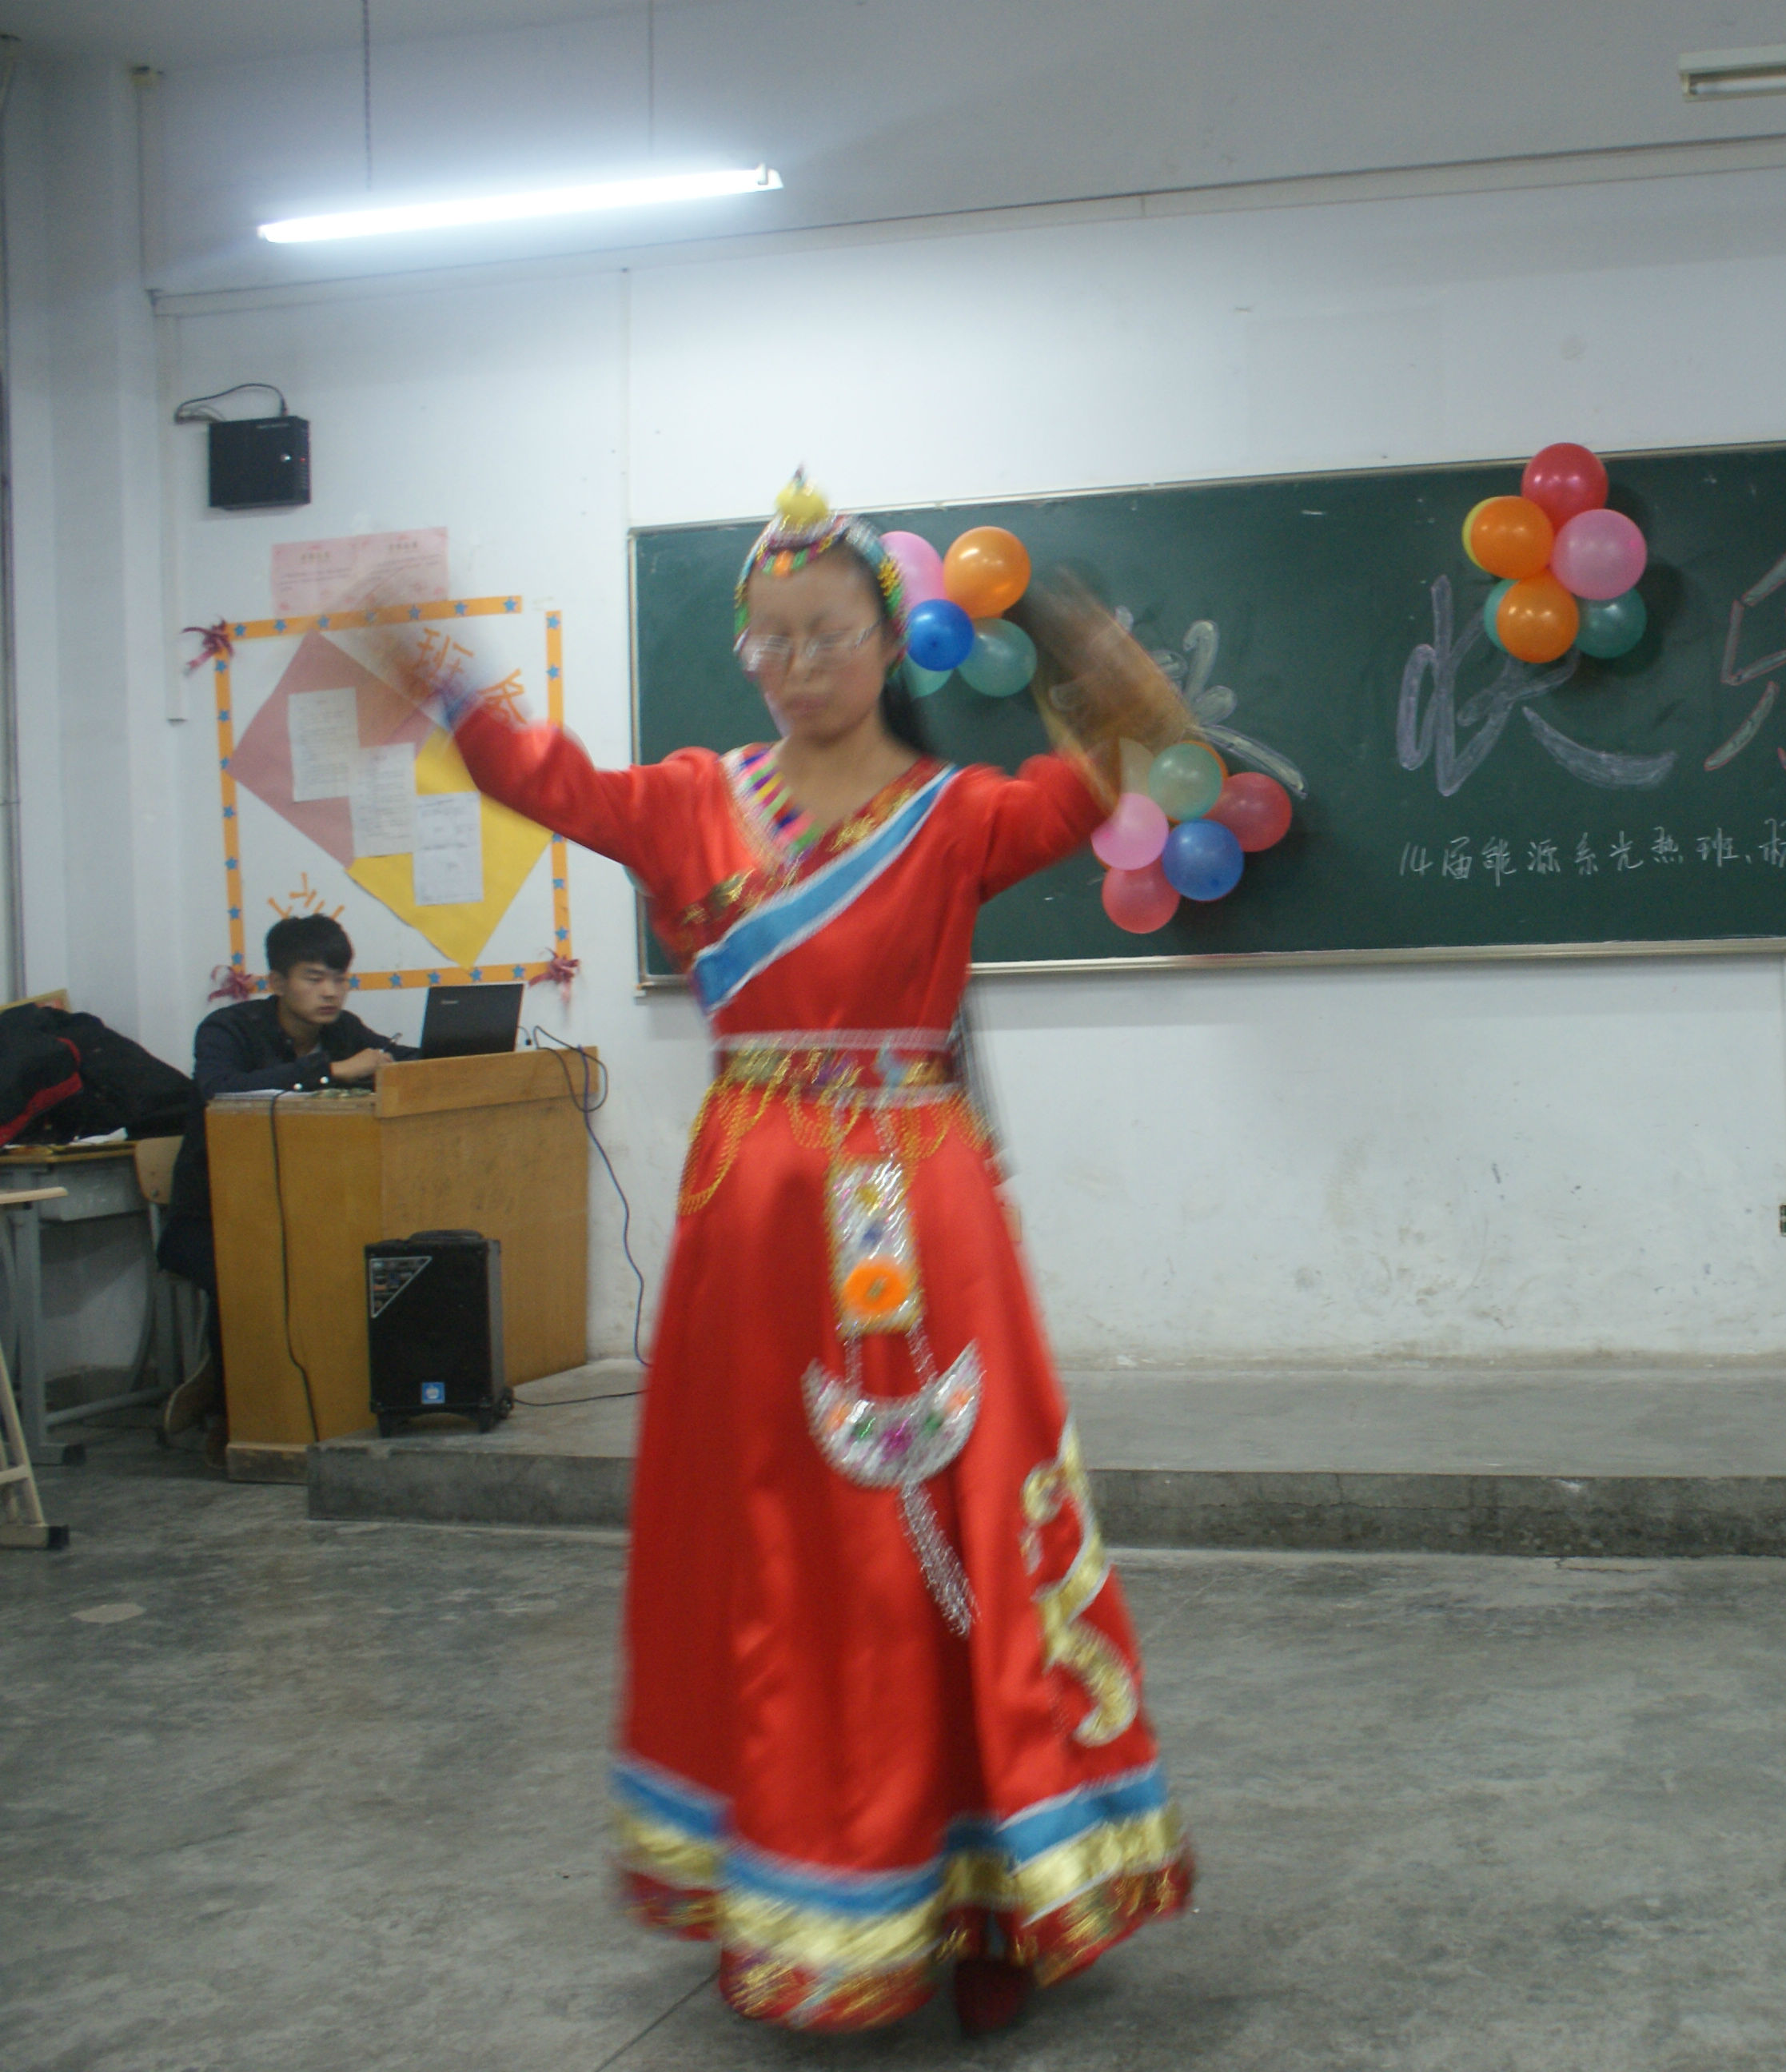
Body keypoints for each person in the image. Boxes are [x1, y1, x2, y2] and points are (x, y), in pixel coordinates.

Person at [411, 480, 1191, 2037]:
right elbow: (544, 778)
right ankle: (793, 1865)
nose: (795, 665)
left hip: (920, 1205)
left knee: (950, 1538)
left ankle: (983, 1875)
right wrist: (440, 674)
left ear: (886, 643)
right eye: (768, 640)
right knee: (767, 1544)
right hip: (754, 1225)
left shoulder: (957, 813)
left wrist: (1116, 689)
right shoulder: (691, 800)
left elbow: (1101, 790)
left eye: (825, 634)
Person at [157, 913, 417, 1452]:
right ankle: (239, 1412)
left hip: (305, 1212)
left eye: (340, 979)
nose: (331, 993)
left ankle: (329, 1400)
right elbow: (219, 1089)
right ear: (277, 982)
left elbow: (396, 1059)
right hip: (213, 1218)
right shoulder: (227, 1029)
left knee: (350, 1262)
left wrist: (460, 1051)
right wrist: (331, 1072)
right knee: (253, 1276)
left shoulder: (342, 1030)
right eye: (314, 978)